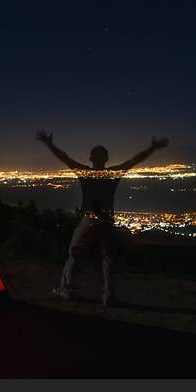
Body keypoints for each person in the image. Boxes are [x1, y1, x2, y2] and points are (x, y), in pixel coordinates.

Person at [36, 130, 169, 306]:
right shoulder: (113, 173)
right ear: (106, 159)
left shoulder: (86, 173)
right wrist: (153, 147)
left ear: (91, 158)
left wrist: (49, 144)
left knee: (74, 253)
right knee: (107, 258)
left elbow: (65, 158)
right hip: (107, 220)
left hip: (90, 219)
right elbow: (134, 160)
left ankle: (67, 290)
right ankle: (108, 296)